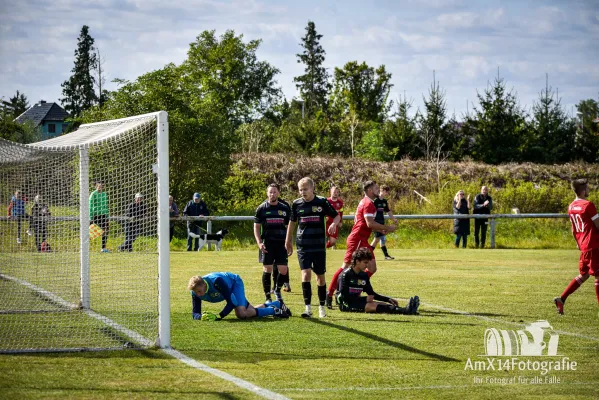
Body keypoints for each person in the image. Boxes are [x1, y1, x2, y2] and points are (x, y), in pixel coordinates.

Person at [326, 180, 397, 308]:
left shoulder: (366, 202)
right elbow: (369, 223)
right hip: (357, 239)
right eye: (376, 188)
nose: (378, 190)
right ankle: (330, 295)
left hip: (362, 239)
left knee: (372, 268)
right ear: (370, 190)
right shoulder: (368, 203)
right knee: (345, 267)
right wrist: (387, 227)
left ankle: (356, 286)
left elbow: (362, 222)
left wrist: (380, 229)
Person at [285, 177, 341, 318]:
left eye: (305, 189)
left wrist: (334, 223)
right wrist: (288, 241)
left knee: (320, 277)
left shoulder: (321, 202)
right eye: (300, 190)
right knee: (305, 274)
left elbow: (336, 216)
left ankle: (322, 307)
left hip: (318, 246)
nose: (303, 192)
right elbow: (292, 223)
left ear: (312, 188)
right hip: (303, 245)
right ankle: (308, 308)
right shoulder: (296, 204)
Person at [553, 179, 599, 315]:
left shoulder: (571, 206)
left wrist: (578, 243)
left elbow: (574, 229)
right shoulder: (588, 205)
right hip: (593, 244)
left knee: (584, 275)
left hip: (584, 245)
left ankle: (561, 299)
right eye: (587, 188)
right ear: (583, 190)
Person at [337, 248, 420, 314]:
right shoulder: (345, 275)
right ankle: (406, 311)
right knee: (371, 306)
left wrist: (387, 299)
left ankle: (406, 310)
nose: (367, 265)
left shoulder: (364, 275)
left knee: (380, 304)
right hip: (346, 305)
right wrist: (365, 299)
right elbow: (343, 298)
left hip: (357, 302)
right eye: (365, 262)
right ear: (357, 261)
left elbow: (371, 294)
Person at [188, 272, 291, 320]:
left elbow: (231, 302)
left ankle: (274, 311)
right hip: (229, 288)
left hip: (234, 284)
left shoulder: (216, 282)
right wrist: (201, 317)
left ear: (204, 285)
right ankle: (277, 304)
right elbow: (195, 313)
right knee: (250, 311)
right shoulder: (195, 292)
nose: (198, 295)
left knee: (241, 313)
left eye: (199, 291)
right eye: (196, 292)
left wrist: (220, 316)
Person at [254, 183, 291, 302]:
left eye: (274, 192)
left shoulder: (285, 208)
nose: (272, 194)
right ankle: (267, 297)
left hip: (281, 244)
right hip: (267, 243)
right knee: (267, 269)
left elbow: (289, 226)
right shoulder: (261, 208)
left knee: (283, 270)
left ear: (279, 193)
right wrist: (259, 242)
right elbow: (256, 227)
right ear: (267, 193)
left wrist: (289, 242)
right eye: (270, 192)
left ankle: (277, 290)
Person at [370, 185, 397, 260]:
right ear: (384, 191)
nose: (387, 194)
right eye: (387, 192)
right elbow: (370, 212)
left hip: (381, 222)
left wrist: (393, 219)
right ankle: (368, 255)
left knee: (382, 239)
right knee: (376, 239)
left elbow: (388, 211)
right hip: (376, 223)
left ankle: (386, 255)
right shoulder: (375, 200)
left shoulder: (384, 201)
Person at [89, 181, 110, 253]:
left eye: (102, 186)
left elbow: (106, 205)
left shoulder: (104, 194)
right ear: (96, 186)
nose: (100, 187)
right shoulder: (93, 194)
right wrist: (91, 217)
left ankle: (103, 248)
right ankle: (84, 247)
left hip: (103, 215)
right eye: (99, 186)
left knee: (106, 230)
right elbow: (90, 206)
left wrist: (107, 216)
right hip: (95, 215)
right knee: (91, 233)